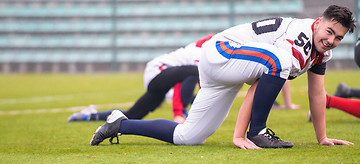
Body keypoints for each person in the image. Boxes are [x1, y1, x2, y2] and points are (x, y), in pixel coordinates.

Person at [90, 5, 355, 149]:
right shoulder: (299, 35)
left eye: (339, 38)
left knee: (189, 137)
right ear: (318, 21)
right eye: (329, 31)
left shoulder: (320, 53)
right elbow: (267, 75)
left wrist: (322, 138)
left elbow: (317, 93)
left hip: (229, 69)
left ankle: (120, 124)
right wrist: (242, 135)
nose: (331, 40)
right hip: (222, 52)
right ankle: (258, 132)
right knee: (280, 61)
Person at [68, 35, 213, 124]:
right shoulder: (198, 53)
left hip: (160, 78)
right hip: (157, 73)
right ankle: (181, 115)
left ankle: (89, 115)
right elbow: (189, 80)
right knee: (194, 72)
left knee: (132, 116)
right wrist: (178, 113)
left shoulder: (197, 52)